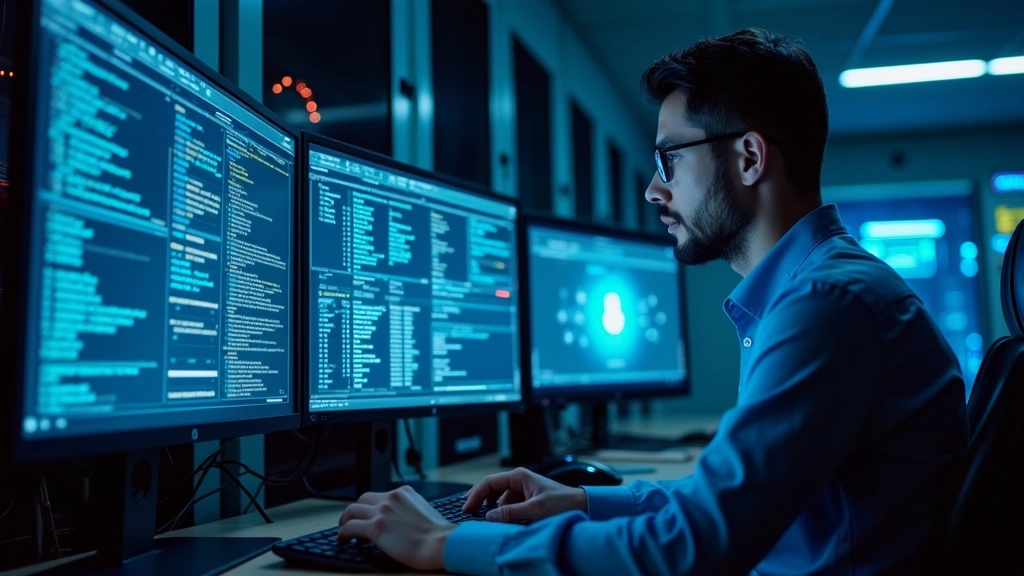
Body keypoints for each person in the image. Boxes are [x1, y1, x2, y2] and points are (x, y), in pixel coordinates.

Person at [337, 28, 967, 575]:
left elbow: (692, 548)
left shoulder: (827, 305)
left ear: (749, 157)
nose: (651, 190)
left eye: (669, 159)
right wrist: (583, 500)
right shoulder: (825, 290)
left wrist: (446, 542)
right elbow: (726, 505)